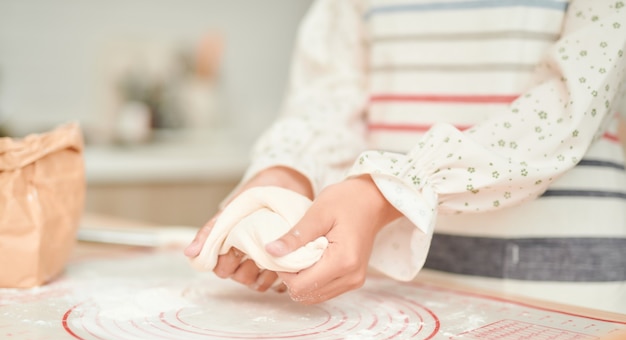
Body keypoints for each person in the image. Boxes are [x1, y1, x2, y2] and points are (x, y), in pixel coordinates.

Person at [185, 0, 626, 306]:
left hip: (562, 281)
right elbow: (331, 91)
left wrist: (389, 191)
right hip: (393, 281)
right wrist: (284, 175)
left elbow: (572, 101)